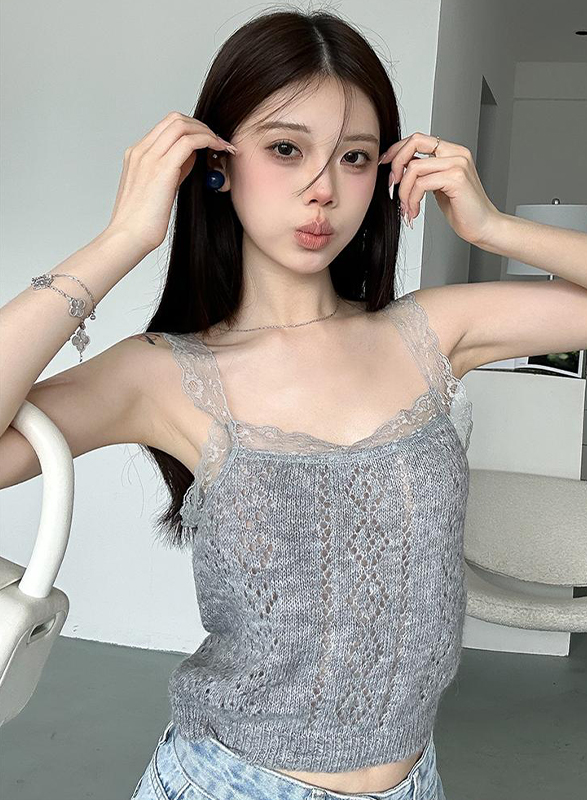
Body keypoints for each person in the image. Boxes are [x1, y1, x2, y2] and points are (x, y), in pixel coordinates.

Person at [0, 8, 471, 800]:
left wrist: (493, 226)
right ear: (217, 164)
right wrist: (125, 237)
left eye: (354, 157)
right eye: (286, 149)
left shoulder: (430, 332)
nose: (323, 189)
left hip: (415, 781)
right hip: (230, 782)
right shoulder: (163, 374)